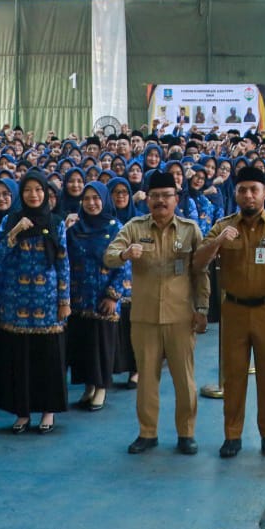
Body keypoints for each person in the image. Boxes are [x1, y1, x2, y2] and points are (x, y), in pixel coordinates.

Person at [198, 164, 265, 459]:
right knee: (234, 376)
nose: (248, 195)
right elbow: (197, 263)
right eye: (242, 190)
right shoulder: (223, 226)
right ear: (236, 193)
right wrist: (218, 241)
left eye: (254, 190)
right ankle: (232, 435)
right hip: (234, 311)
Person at [105, 170, 210, 456]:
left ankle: (186, 433)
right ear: (147, 199)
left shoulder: (190, 230)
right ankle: (147, 433)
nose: (160, 201)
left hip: (180, 317)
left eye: (166, 196)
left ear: (176, 199)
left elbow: (200, 273)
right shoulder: (134, 228)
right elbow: (109, 255)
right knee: (147, 380)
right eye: (155, 197)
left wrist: (202, 308)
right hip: (145, 318)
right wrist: (126, 255)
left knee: (184, 380)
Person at [0, 171, 70, 434]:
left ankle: (47, 411)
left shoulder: (56, 222)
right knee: (20, 359)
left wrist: (64, 300)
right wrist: (14, 232)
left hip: (47, 302)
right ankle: (22, 412)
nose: (33, 195)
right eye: (28, 190)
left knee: (47, 358)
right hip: (15, 303)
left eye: (39, 190)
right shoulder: (10, 220)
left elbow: (63, 263)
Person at [65, 181, 130, 413]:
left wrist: (113, 296)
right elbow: (65, 261)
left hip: (104, 299)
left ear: (105, 200)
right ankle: (89, 387)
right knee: (83, 345)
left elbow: (124, 265)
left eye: (96, 198)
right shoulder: (74, 229)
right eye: (87, 199)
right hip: (80, 298)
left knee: (101, 345)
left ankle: (101, 388)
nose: (92, 203)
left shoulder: (116, 228)